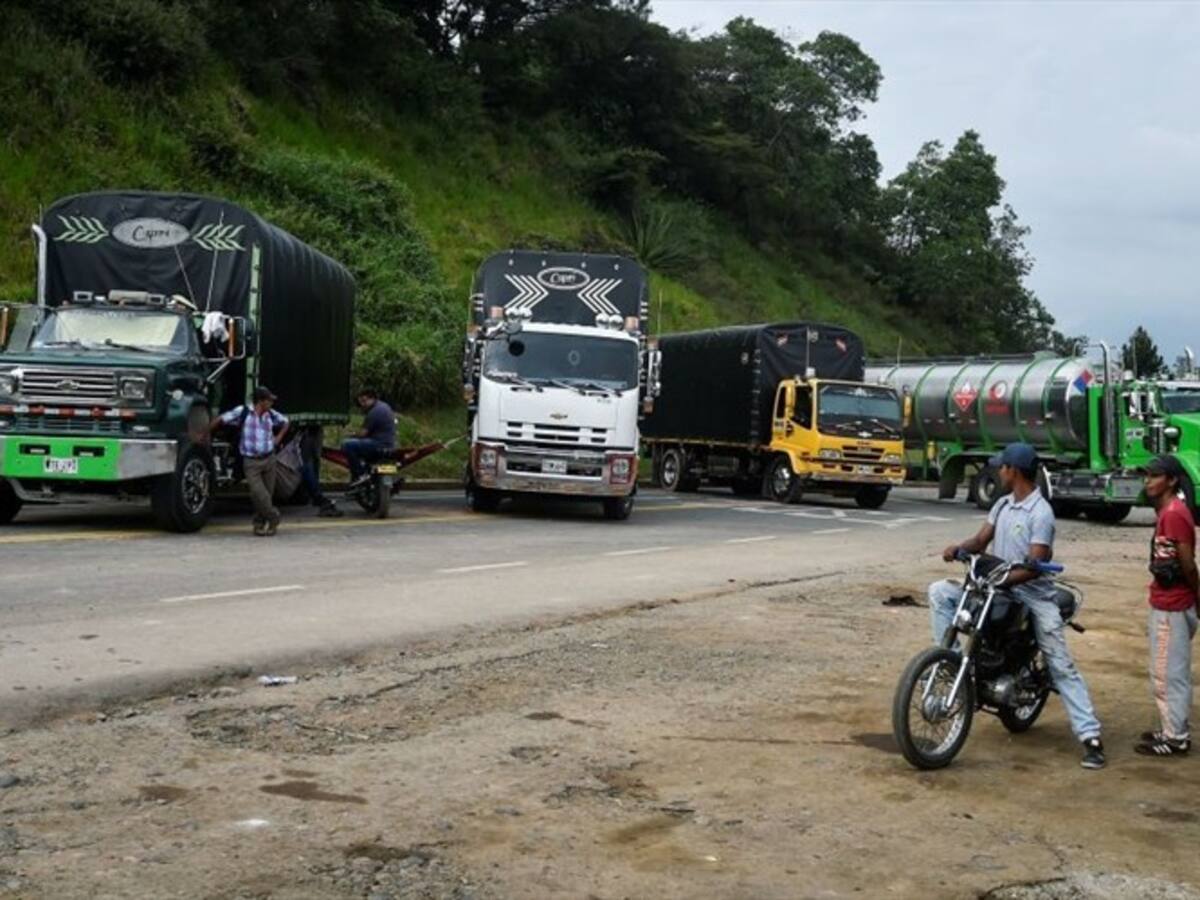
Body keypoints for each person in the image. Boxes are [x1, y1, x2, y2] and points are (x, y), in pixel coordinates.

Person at [928, 442, 1106, 769]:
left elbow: (1036, 562)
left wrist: (1003, 580)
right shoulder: (1002, 504)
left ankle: (1090, 736)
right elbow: (980, 541)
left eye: (1003, 466)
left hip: (1033, 595)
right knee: (940, 592)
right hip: (996, 587)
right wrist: (959, 548)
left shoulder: (1041, 513)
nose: (999, 471)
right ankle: (954, 666)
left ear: (1014, 471)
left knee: (1060, 663)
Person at [1136, 455, 1198, 757]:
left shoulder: (1174, 514)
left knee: (1167, 674)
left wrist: (1197, 595)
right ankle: (1171, 727)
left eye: (1155, 475)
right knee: (1168, 671)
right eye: (1147, 475)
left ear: (1171, 480)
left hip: (1172, 605)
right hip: (1170, 603)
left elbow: (1188, 564)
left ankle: (1176, 737)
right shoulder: (1169, 512)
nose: (1148, 481)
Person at [211, 385, 289, 536]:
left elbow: (286, 422)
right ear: (261, 401)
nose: (271, 403)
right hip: (251, 461)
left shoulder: (271, 414)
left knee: (267, 494)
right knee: (259, 494)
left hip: (269, 459)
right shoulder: (243, 412)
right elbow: (222, 418)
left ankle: (260, 524)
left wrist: (278, 437)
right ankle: (273, 516)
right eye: (269, 400)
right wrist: (206, 433)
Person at [342, 389, 396, 488]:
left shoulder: (374, 412)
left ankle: (360, 474)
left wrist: (352, 435)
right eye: (361, 402)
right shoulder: (385, 406)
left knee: (347, 445)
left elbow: (363, 434)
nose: (362, 405)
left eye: (364, 401)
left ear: (372, 398)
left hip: (378, 444)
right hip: (389, 444)